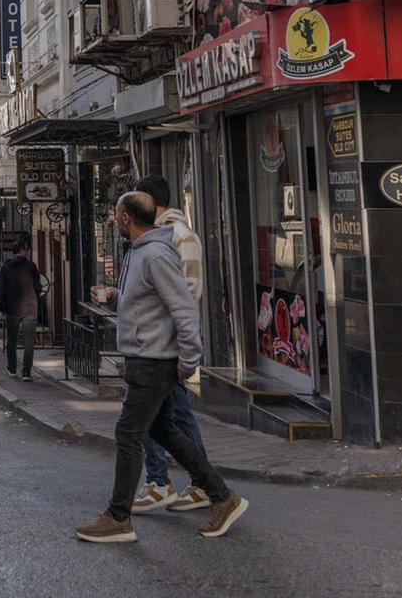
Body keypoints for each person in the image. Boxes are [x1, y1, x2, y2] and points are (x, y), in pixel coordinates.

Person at [74, 192, 247, 544]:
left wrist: (189, 360)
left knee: (128, 433)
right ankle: (222, 496)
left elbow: (183, 308)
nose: (114, 217)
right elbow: (146, 302)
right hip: (145, 357)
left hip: (154, 361)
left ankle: (118, 517)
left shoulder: (154, 254)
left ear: (126, 218)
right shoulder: (140, 253)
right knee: (164, 431)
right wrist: (112, 296)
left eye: (116, 213)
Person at [130, 174, 212, 513]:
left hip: (166, 345)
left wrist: (181, 349)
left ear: (150, 202)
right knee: (169, 414)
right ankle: (183, 482)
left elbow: (186, 297)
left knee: (163, 414)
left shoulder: (179, 237)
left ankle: (173, 482)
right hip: (154, 344)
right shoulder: (158, 236)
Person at [0, 239, 44, 381]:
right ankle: (26, 372)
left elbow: (1, 290)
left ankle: (12, 367)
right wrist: (36, 298)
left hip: (12, 308)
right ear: (22, 250)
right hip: (30, 307)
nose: (27, 252)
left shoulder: (5, 268)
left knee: (12, 339)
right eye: (26, 249)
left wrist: (2, 309)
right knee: (29, 341)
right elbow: (38, 287)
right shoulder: (31, 266)